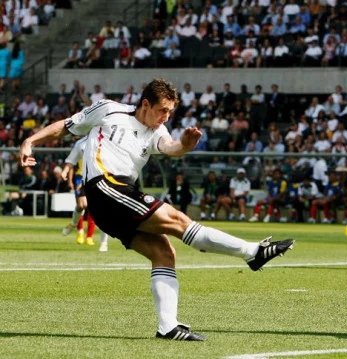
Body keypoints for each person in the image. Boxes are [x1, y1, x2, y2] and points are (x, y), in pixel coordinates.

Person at [19, 78, 295, 341]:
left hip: (121, 195)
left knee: (164, 252)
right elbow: (65, 126)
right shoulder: (108, 109)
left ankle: (168, 326)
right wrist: (30, 141)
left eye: (170, 112)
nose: (165, 117)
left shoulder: (158, 130)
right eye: (162, 110)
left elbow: (171, 147)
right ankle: (252, 253)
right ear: (145, 104)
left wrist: (185, 146)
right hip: (104, 187)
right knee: (177, 219)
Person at [61, 136, 110, 252]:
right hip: (81, 178)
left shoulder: (107, 140)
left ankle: (104, 242)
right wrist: (65, 171)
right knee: (82, 205)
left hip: (100, 177)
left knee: (102, 211)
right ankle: (73, 224)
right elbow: (71, 160)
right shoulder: (81, 143)